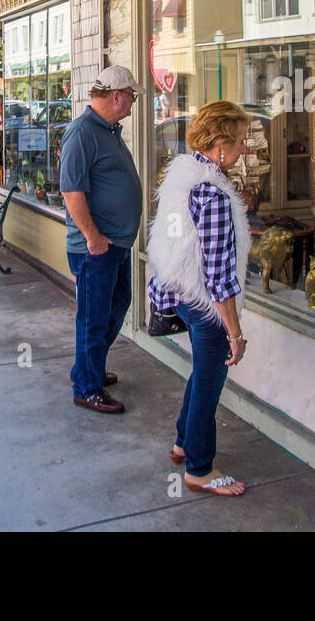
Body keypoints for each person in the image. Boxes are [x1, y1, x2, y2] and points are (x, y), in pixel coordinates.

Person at [147, 101, 253, 496]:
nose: (245, 149)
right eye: (241, 141)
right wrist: (235, 331)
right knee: (210, 382)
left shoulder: (183, 176)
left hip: (181, 294)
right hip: (205, 305)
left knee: (201, 375)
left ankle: (181, 443)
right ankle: (200, 468)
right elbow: (218, 275)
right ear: (220, 143)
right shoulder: (214, 196)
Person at [59, 66, 145, 414]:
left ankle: (87, 367)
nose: (134, 102)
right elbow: (71, 191)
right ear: (116, 96)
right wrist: (93, 238)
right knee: (95, 318)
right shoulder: (81, 133)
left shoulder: (106, 130)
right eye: (132, 96)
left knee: (116, 307)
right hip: (96, 248)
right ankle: (87, 388)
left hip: (114, 245)